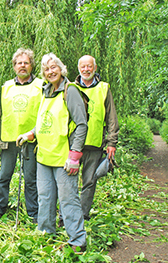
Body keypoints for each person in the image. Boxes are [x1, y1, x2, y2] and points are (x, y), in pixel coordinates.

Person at [17, 53, 87, 252]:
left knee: (68, 199)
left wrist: (75, 154)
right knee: (45, 197)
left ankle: (77, 241)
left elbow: (81, 124)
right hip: (44, 157)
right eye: (47, 69)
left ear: (61, 69)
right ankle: (46, 234)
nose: (50, 71)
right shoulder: (45, 91)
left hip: (64, 157)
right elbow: (44, 121)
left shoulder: (70, 91)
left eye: (54, 67)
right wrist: (30, 134)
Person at [0, 48, 43, 221]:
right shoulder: (6, 86)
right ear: (14, 66)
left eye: (26, 62)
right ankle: (1, 210)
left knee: (30, 179)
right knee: (3, 177)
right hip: (8, 139)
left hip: (31, 140)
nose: (22, 66)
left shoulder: (41, 85)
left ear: (31, 65)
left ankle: (33, 214)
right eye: (19, 63)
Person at [75, 55, 119, 221]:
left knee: (89, 181)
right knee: (69, 182)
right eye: (83, 66)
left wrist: (111, 142)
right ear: (78, 68)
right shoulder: (71, 88)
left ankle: (83, 215)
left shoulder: (104, 88)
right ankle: (67, 215)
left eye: (89, 66)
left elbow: (111, 118)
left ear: (94, 67)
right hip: (73, 144)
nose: (86, 69)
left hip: (94, 144)